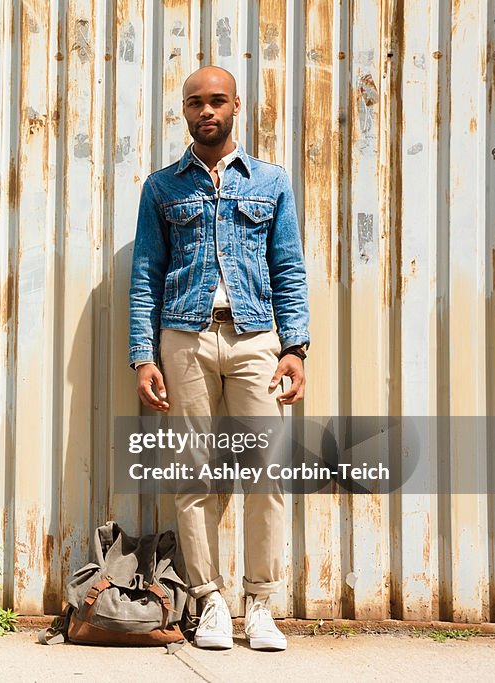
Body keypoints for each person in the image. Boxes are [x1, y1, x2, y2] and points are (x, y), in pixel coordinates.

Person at [127, 65, 310, 651]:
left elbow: (289, 269)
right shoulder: (162, 187)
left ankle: (259, 603)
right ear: (184, 112)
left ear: (236, 107)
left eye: (217, 101)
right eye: (195, 103)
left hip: (255, 337)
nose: (206, 111)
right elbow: (144, 277)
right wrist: (143, 356)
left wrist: (295, 347)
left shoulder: (271, 181)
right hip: (184, 338)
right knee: (195, 474)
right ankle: (209, 602)